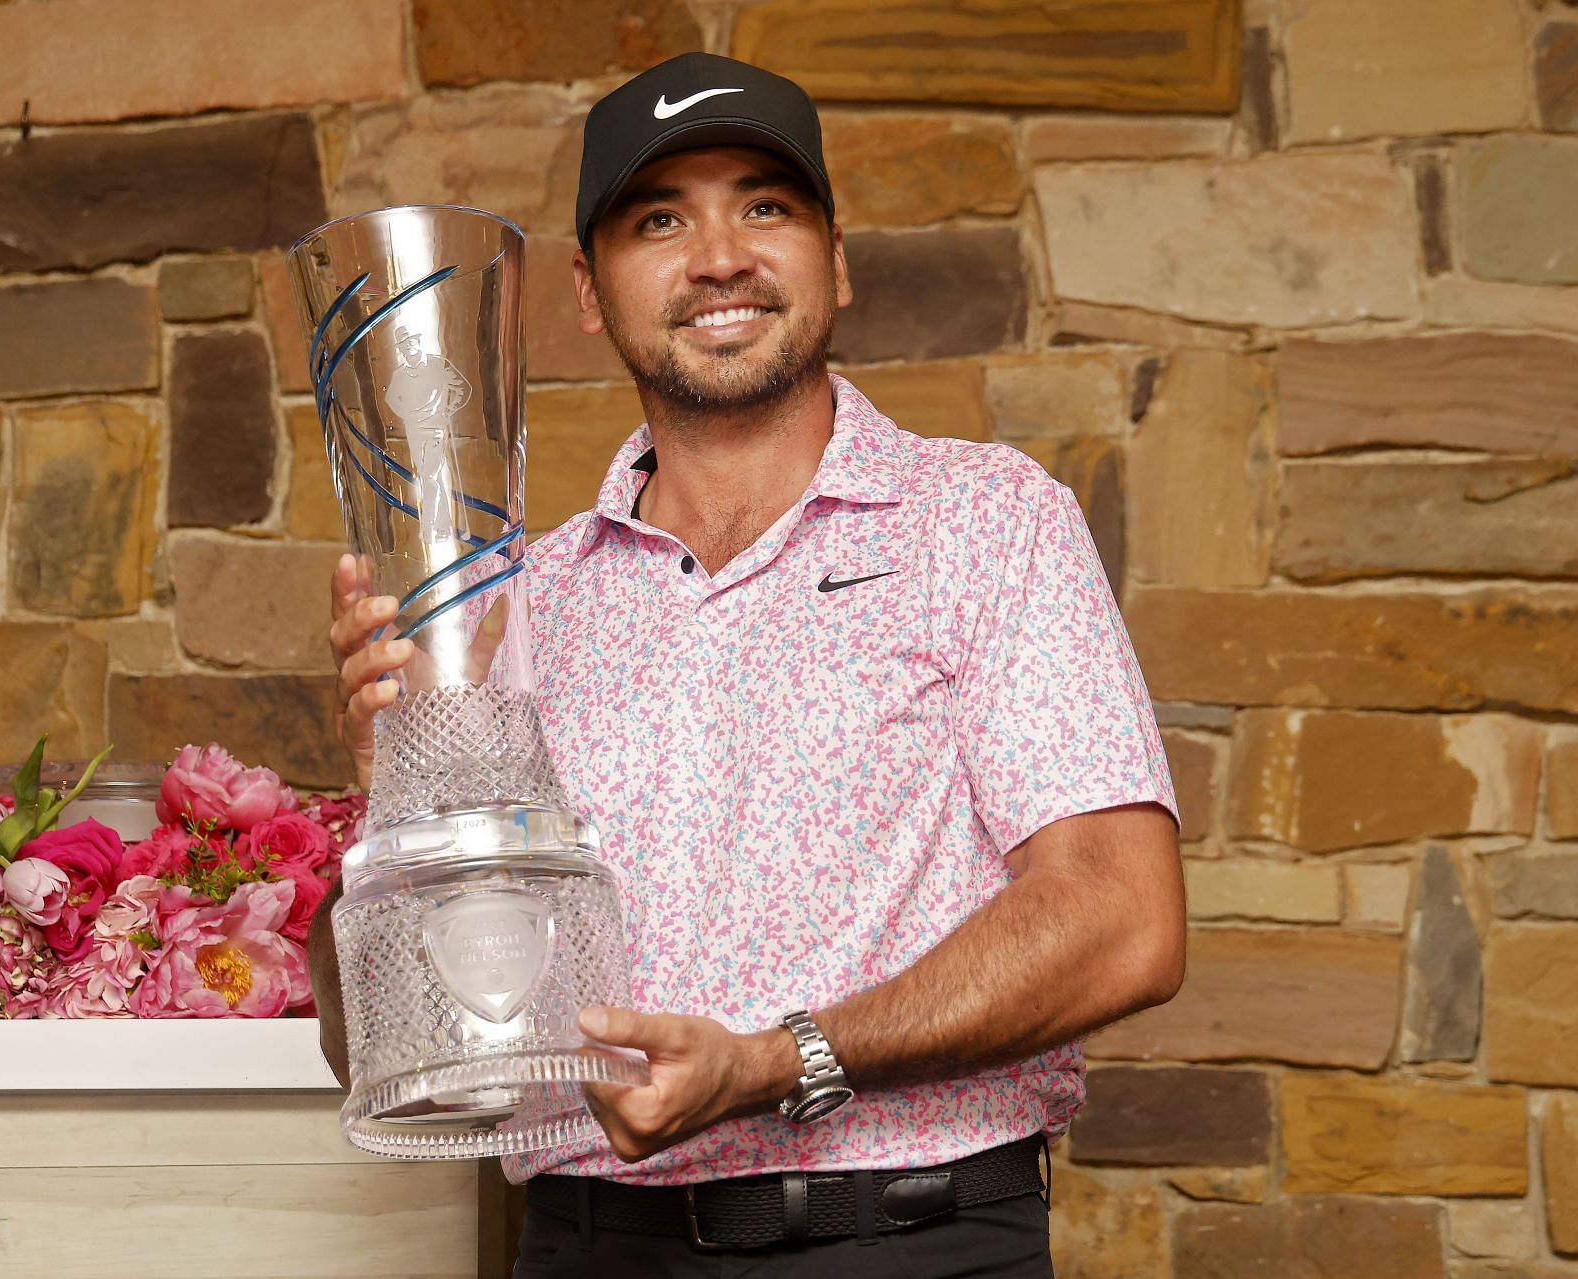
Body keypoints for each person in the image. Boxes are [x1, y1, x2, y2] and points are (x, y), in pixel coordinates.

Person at [311, 51, 1186, 1278]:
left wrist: (777, 1063)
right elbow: (391, 1057)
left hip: (912, 1243)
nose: (718, 255)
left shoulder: (986, 522)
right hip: (590, 1247)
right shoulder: (518, 605)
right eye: (658, 219)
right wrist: (392, 810)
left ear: (837, 258)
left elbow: (1124, 921)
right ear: (587, 289)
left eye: (764, 205)